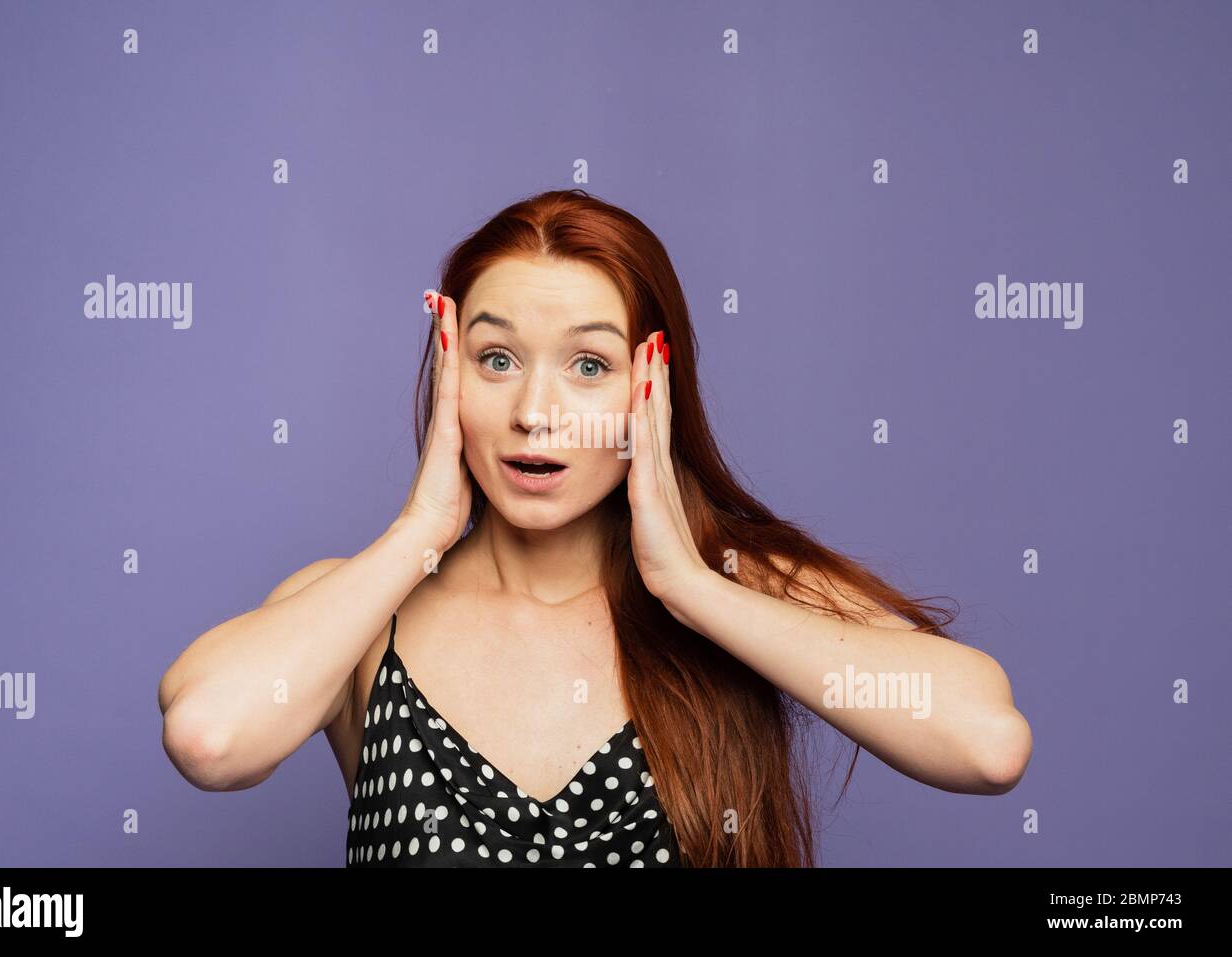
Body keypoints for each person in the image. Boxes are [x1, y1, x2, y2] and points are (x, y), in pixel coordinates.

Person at [157, 189, 1032, 867]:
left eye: (588, 365)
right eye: (496, 359)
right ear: (450, 372)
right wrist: (421, 528)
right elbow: (209, 735)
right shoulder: (362, 612)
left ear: (651, 384)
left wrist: (690, 589)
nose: (537, 413)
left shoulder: (735, 582)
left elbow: (986, 742)